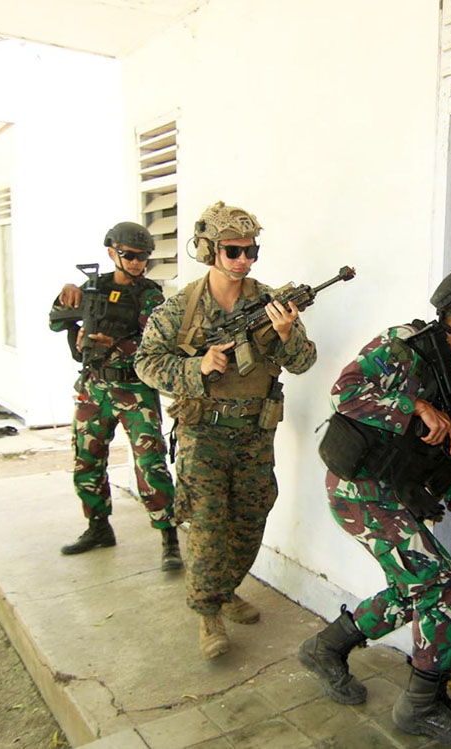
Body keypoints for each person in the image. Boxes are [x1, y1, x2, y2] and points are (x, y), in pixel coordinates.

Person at [299, 269, 451, 744]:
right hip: (359, 489)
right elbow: (344, 392)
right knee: (439, 583)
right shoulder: (405, 346)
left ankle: (326, 648)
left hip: (393, 491)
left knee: (416, 586)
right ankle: (422, 706)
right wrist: (414, 406)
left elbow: (444, 454)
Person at [134, 201, 316, 659]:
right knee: (208, 526)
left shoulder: (270, 301)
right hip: (203, 436)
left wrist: (287, 335)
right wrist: (196, 368)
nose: (243, 260)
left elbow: (304, 361)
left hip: (255, 433)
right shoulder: (181, 308)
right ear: (208, 250)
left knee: (251, 519)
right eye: (233, 251)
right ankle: (207, 614)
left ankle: (226, 588)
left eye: (251, 251)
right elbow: (145, 363)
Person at [49, 221, 179, 570]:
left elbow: (156, 344)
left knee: (150, 463)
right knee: (86, 459)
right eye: (130, 256)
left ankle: (168, 536)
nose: (137, 263)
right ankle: (98, 527)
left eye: (143, 257)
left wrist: (115, 344)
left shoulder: (150, 295)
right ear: (112, 253)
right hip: (94, 387)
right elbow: (56, 321)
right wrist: (66, 296)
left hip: (134, 389)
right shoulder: (93, 288)